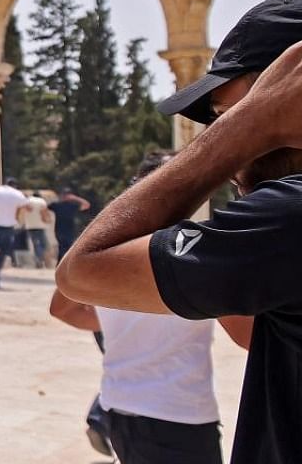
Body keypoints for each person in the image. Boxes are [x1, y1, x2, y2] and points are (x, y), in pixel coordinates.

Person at [57, 0, 302, 464]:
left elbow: (83, 270)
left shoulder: (299, 216)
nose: (221, 137)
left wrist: (254, 123)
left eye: (226, 116)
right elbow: (253, 333)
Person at [51, 150, 253, 464]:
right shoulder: (198, 258)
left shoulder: (108, 259)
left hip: (119, 412)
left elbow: (63, 308)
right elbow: (246, 335)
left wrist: (122, 327)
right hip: (179, 417)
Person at [49, 186, 91, 262]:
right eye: (65, 194)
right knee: (62, 247)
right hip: (59, 230)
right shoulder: (56, 205)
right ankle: (61, 265)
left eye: (68, 194)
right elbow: (45, 208)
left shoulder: (73, 206)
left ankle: (62, 264)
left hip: (69, 230)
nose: (66, 196)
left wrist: (75, 198)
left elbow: (87, 205)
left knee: (67, 248)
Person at [21, 189, 53, 268]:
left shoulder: (27, 201)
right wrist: (47, 220)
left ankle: (38, 260)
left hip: (30, 226)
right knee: (44, 245)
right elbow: (44, 212)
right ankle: (43, 261)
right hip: (40, 226)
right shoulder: (41, 201)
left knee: (35, 244)